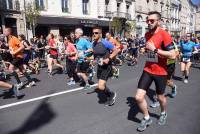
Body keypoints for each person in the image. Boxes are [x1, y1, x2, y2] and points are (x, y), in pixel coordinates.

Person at [134, 11, 176, 132]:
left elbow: (173, 55)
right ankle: (147, 118)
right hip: (148, 69)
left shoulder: (165, 35)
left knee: (161, 98)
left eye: (152, 20)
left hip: (161, 72)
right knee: (138, 97)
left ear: (159, 21)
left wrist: (155, 50)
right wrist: (145, 50)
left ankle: (163, 113)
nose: (149, 22)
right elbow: (150, 51)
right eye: (147, 20)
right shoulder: (147, 35)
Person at [92, 27, 118, 106]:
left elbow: (116, 50)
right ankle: (109, 94)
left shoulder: (105, 42)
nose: (94, 34)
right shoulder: (94, 43)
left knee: (100, 86)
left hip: (107, 66)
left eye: (96, 33)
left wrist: (109, 58)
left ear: (100, 34)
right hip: (100, 66)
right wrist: (91, 59)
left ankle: (111, 95)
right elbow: (95, 56)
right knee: (102, 84)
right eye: (93, 33)